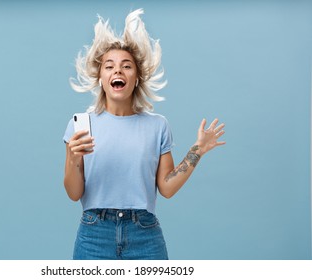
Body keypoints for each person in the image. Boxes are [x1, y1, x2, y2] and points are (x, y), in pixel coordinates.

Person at [63, 9, 225, 260]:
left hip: (144, 234)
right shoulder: (81, 126)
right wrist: (73, 158)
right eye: (110, 66)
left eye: (126, 66)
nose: (118, 71)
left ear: (136, 78)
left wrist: (198, 150)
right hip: (94, 234)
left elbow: (167, 188)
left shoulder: (157, 126)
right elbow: (74, 193)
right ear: (101, 78)